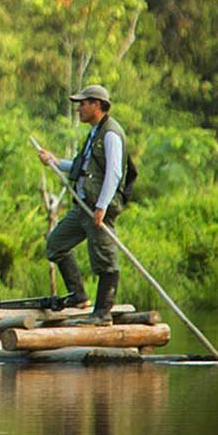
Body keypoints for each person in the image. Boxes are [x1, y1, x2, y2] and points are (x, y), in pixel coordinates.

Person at [33, 84, 126, 323]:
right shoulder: (94, 132)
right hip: (83, 205)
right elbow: (82, 166)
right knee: (55, 244)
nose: (79, 109)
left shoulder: (111, 134)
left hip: (97, 207)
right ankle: (79, 295)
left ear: (97, 105)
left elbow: (114, 173)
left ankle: (103, 312)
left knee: (104, 258)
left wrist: (102, 206)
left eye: (83, 104)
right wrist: (54, 161)